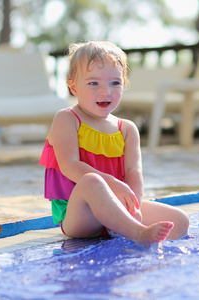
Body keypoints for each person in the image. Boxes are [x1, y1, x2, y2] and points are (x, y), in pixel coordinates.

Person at [39, 41, 189, 248]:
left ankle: (127, 225)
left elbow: (133, 172)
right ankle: (138, 232)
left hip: (117, 209)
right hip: (80, 216)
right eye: (93, 83)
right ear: (73, 86)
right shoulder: (67, 118)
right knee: (92, 181)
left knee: (180, 221)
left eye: (115, 83)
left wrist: (134, 205)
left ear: (124, 84)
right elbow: (70, 165)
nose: (105, 92)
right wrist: (113, 183)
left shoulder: (127, 129)